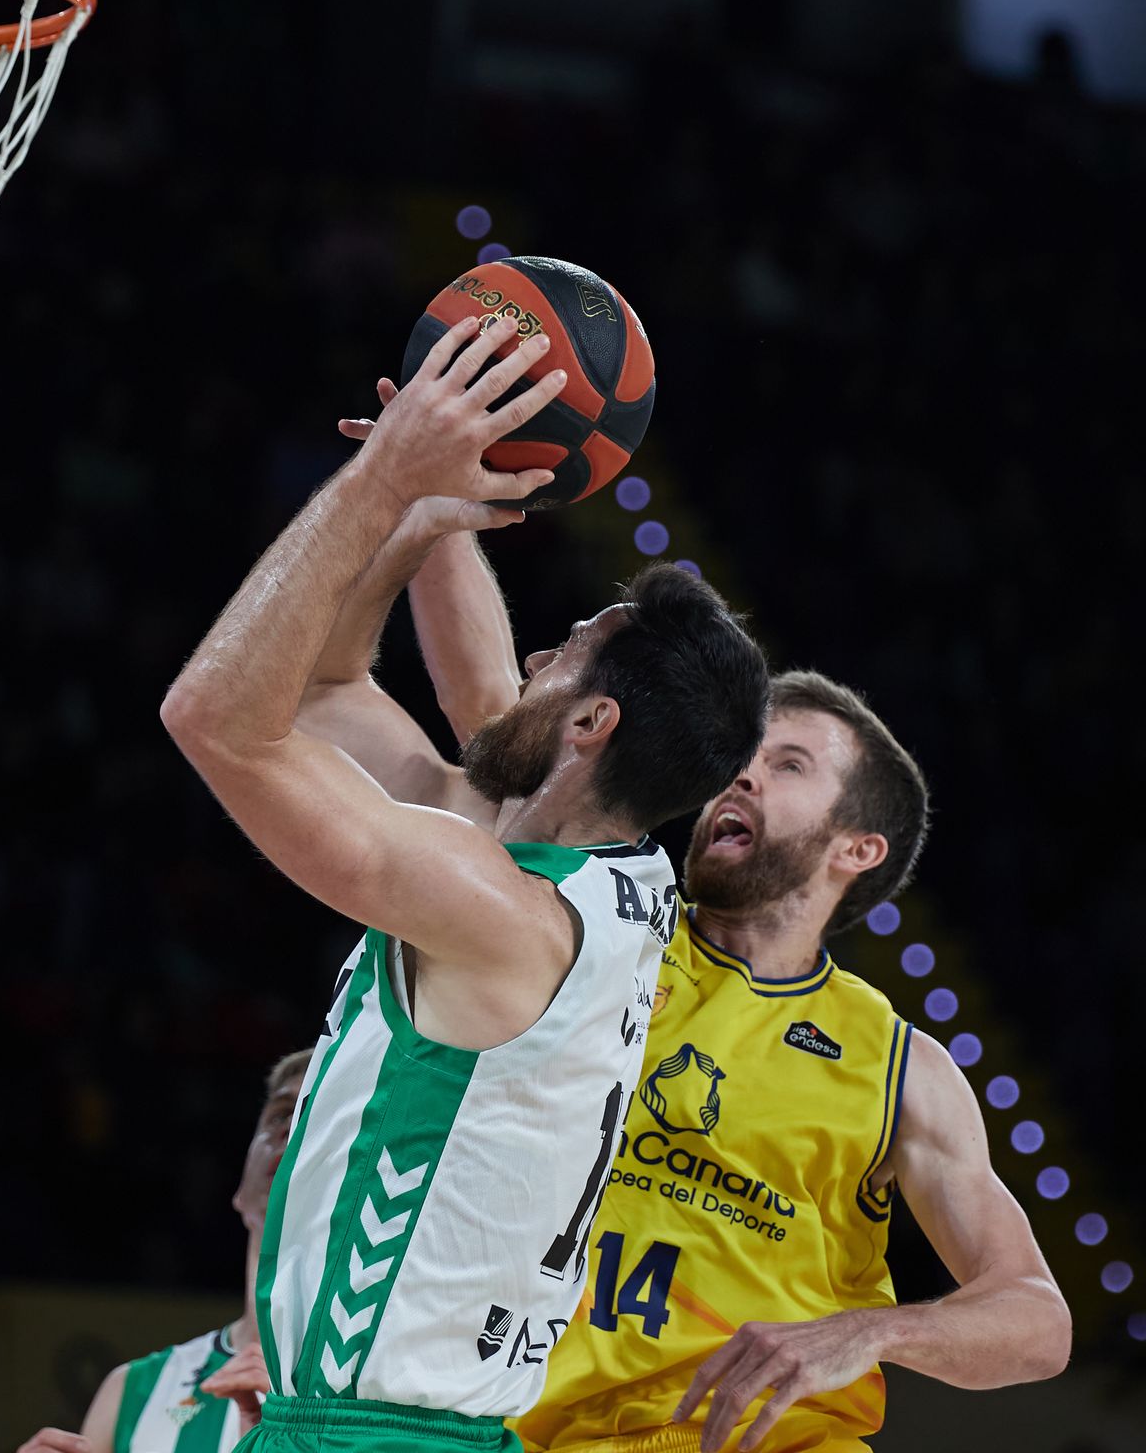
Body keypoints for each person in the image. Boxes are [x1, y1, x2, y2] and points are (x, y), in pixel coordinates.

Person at [159, 314, 771, 1453]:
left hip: (368, 1432)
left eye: (565, 652)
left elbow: (219, 720)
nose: (532, 660)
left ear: (593, 722)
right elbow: (333, 684)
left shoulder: (497, 912)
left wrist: (379, 477)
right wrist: (427, 514)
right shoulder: (582, 885)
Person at [386, 515, 1070, 1453]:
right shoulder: (602, 922)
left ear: (856, 848)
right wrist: (438, 506)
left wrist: (870, 1331)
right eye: (740, 758)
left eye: (785, 765)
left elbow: (1037, 1319)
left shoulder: (897, 1067)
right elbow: (499, 712)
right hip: (530, 1430)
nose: (740, 778)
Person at [16, 1049, 312, 1453]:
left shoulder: (387, 1385)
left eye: (315, 1115)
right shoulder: (133, 1390)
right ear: (239, 1193)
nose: (289, 1128)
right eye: (280, 1114)